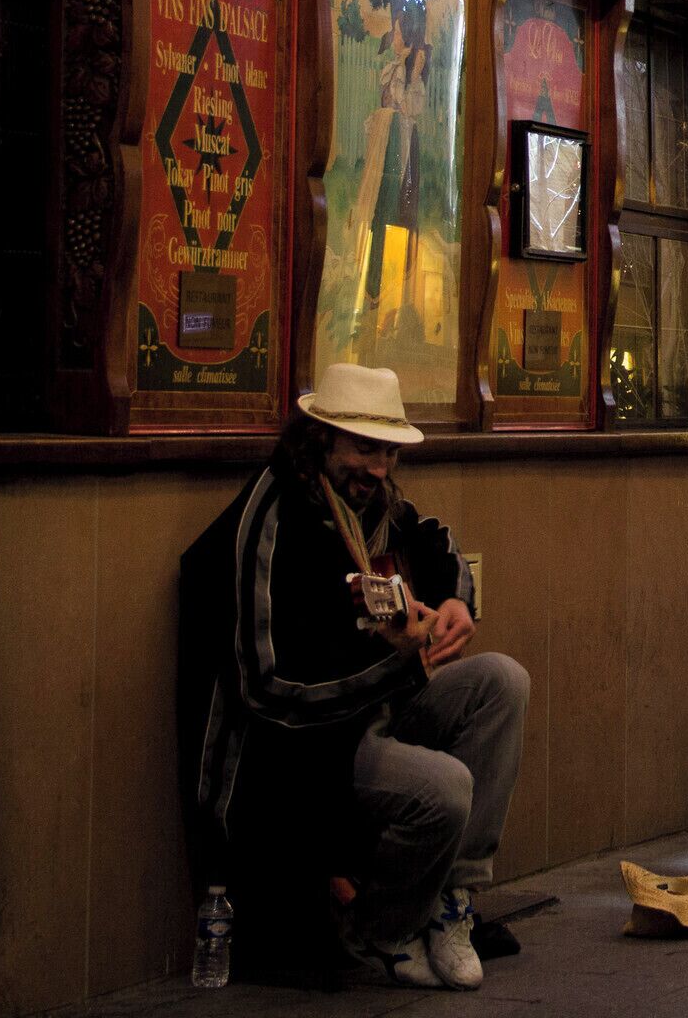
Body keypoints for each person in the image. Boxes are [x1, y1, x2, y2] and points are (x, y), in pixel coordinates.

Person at [180, 363, 530, 991]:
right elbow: (265, 690)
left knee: (503, 681)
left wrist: (455, 601)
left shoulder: (373, 503)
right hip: (306, 749)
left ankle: (453, 905)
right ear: (319, 442)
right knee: (446, 788)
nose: (379, 468)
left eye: (389, 452)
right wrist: (397, 665)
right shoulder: (272, 515)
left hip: (375, 708)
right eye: (365, 449)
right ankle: (380, 930)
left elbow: (437, 542)